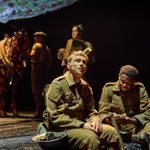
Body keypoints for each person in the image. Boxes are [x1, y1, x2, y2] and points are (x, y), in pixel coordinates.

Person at [40, 51, 119, 150]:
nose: (82, 64)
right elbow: (55, 116)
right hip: (62, 129)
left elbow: (91, 111)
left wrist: (94, 119)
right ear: (68, 65)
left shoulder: (86, 87)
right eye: (77, 61)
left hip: (82, 126)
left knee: (111, 132)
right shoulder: (58, 84)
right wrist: (82, 125)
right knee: (90, 138)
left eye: (84, 62)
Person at [98, 65, 150, 146]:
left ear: (134, 82)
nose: (125, 85)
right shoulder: (108, 89)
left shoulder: (140, 90)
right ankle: (131, 137)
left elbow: (147, 112)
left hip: (134, 127)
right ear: (119, 76)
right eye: (123, 81)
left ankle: (137, 137)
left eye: (129, 83)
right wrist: (111, 119)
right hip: (114, 127)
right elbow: (102, 113)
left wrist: (130, 120)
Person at [30, 31, 53, 118]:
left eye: (36, 37)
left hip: (36, 69)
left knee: (36, 89)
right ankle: (42, 109)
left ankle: (38, 110)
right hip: (44, 71)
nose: (34, 38)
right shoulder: (46, 47)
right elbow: (50, 61)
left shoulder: (36, 46)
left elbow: (32, 55)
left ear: (41, 38)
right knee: (43, 89)